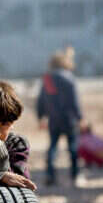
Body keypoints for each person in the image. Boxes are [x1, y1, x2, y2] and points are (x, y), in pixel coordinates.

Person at [36, 47, 84, 186]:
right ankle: (75, 174)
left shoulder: (48, 79)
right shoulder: (69, 78)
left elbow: (41, 100)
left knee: (52, 147)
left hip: (53, 119)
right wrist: (80, 118)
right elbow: (74, 101)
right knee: (73, 148)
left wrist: (41, 117)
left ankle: (50, 174)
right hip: (69, 119)